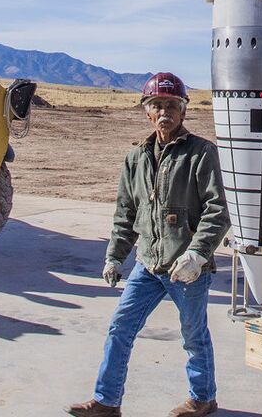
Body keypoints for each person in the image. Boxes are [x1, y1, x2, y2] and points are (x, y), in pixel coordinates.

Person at [68, 72, 229, 417]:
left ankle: (203, 398)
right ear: (147, 111)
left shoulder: (201, 153)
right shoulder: (136, 158)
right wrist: (114, 257)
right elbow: (126, 213)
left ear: (184, 111)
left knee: (193, 336)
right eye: (157, 105)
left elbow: (218, 210)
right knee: (120, 328)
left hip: (185, 269)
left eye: (172, 104)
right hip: (148, 265)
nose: (164, 111)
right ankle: (106, 401)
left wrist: (198, 254)